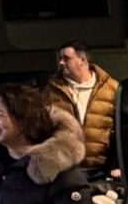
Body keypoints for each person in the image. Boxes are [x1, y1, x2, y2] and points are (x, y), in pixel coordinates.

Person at [41, 42, 118, 171]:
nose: (61, 62)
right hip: (64, 168)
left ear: (83, 60)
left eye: (66, 58)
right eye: (60, 58)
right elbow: (42, 127)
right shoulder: (51, 90)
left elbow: (120, 130)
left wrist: (117, 165)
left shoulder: (111, 88)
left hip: (102, 168)